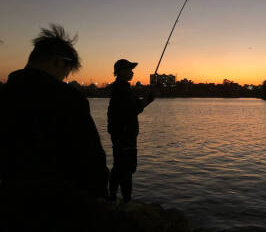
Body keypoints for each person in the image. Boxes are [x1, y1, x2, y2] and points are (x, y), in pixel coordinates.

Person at [0, 24, 109, 231]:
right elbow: (90, 156)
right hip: (61, 205)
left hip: (12, 201)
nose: (65, 77)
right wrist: (100, 198)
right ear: (58, 61)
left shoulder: (5, 95)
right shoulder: (67, 98)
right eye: (67, 71)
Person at [107, 59, 154, 203]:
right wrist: (149, 98)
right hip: (124, 135)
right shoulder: (121, 89)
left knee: (119, 166)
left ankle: (112, 197)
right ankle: (126, 201)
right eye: (129, 69)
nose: (132, 72)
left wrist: (147, 98)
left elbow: (133, 105)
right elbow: (133, 109)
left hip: (121, 134)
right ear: (121, 72)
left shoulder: (121, 88)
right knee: (127, 168)